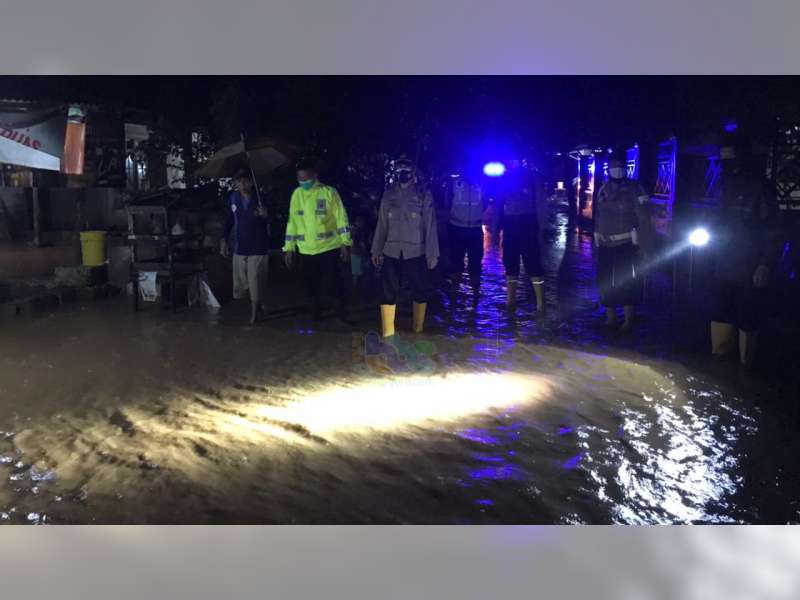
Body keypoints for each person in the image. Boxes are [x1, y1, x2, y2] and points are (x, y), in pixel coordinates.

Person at [709, 142, 780, 368]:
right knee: (720, 313)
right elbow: (714, 219)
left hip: (749, 264)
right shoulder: (721, 185)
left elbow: (773, 230)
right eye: (722, 157)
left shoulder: (759, 187)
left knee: (747, 317)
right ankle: (719, 361)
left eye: (729, 157)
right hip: (723, 262)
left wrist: (765, 264)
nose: (725, 162)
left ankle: (745, 366)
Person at [371, 158, 439, 337]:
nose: (403, 174)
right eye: (399, 171)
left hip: (416, 252)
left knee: (420, 291)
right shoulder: (388, 194)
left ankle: (418, 330)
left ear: (413, 173)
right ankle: (388, 334)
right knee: (388, 292)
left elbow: (430, 226)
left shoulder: (423, 194)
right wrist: (376, 249)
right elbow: (382, 224)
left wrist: (432, 254)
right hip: (391, 251)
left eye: (406, 171)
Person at [282, 160, 352, 322]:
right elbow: (292, 223)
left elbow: (341, 218)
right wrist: (289, 248)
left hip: (328, 247)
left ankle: (341, 313)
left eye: (306, 178)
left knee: (334, 283)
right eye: (300, 179)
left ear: (315, 176)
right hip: (306, 250)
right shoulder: (297, 195)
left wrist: (346, 243)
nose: (303, 182)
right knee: (310, 285)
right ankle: (315, 314)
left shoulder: (329, 192)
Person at [593, 156, 650, 330]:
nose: (616, 169)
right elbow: (598, 215)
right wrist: (597, 235)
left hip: (626, 244)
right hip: (605, 245)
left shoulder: (636, 188)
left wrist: (644, 245)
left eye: (619, 166)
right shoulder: (603, 189)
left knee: (626, 281)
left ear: (625, 168)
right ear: (608, 169)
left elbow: (644, 218)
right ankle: (610, 317)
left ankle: (628, 319)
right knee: (605, 281)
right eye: (613, 166)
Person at [221, 168, 270, 325]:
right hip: (240, 246)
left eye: (245, 181)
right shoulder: (233, 198)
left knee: (254, 280)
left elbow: (273, 219)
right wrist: (224, 239)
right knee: (244, 283)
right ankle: (259, 303)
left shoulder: (261, 198)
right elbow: (228, 220)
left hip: (258, 246)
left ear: (251, 182)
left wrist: (266, 215)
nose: (242, 185)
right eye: (239, 181)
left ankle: (254, 313)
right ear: (235, 183)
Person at [500, 160, 545, 310]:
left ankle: (540, 303)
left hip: (528, 224)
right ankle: (510, 300)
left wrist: (542, 227)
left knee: (533, 263)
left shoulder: (533, 177)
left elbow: (540, 203)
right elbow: (499, 203)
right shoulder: (505, 178)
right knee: (510, 264)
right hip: (510, 224)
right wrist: (495, 228)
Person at [447, 173, 486, 287]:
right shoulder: (454, 183)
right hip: (457, 228)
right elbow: (447, 202)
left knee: (476, 262)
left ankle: (475, 291)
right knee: (456, 261)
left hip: (475, 229)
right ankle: (455, 290)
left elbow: (485, 202)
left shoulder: (482, 183)